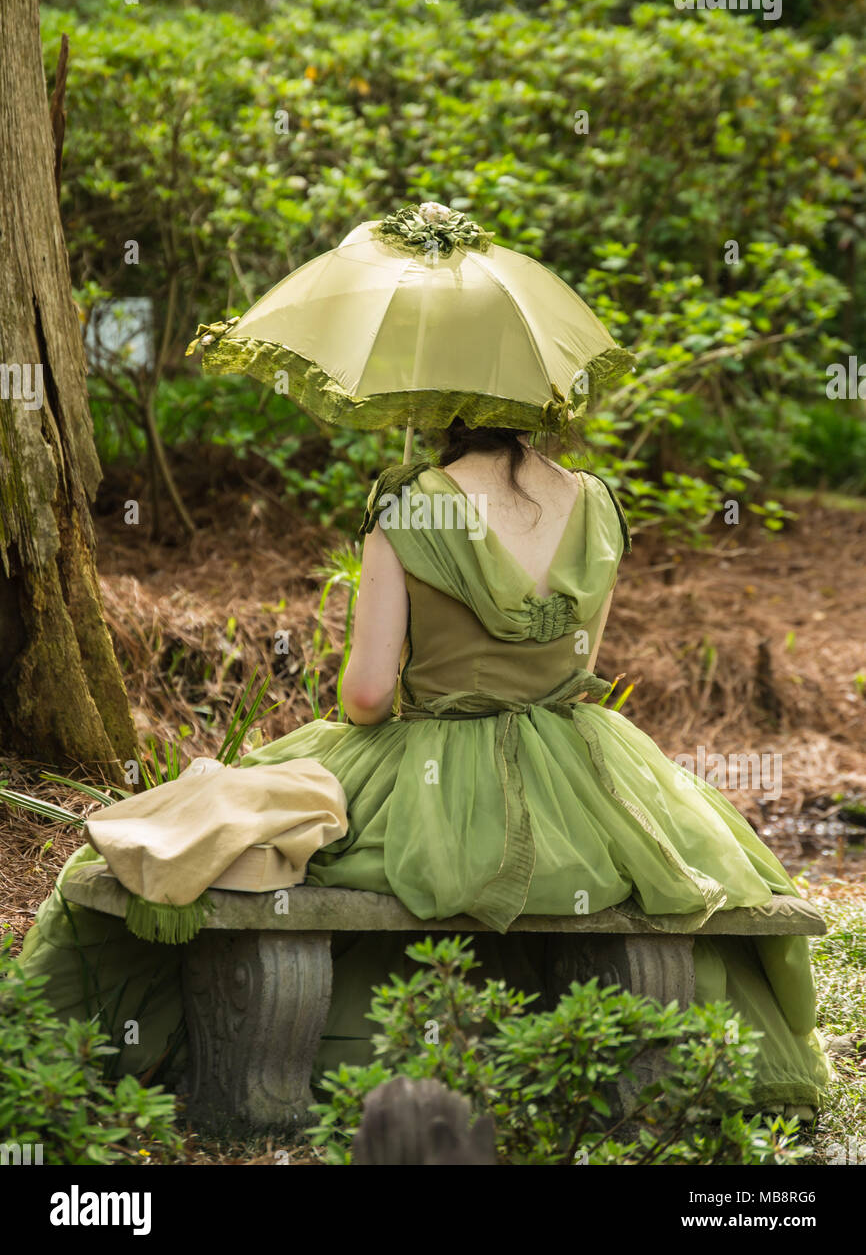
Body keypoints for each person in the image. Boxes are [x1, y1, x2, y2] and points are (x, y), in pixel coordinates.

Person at [15, 419, 832, 1113]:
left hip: (439, 755)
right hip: (580, 769)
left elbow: (367, 696)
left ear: (441, 398)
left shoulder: (408, 503)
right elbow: (581, 668)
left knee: (288, 836)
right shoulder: (598, 503)